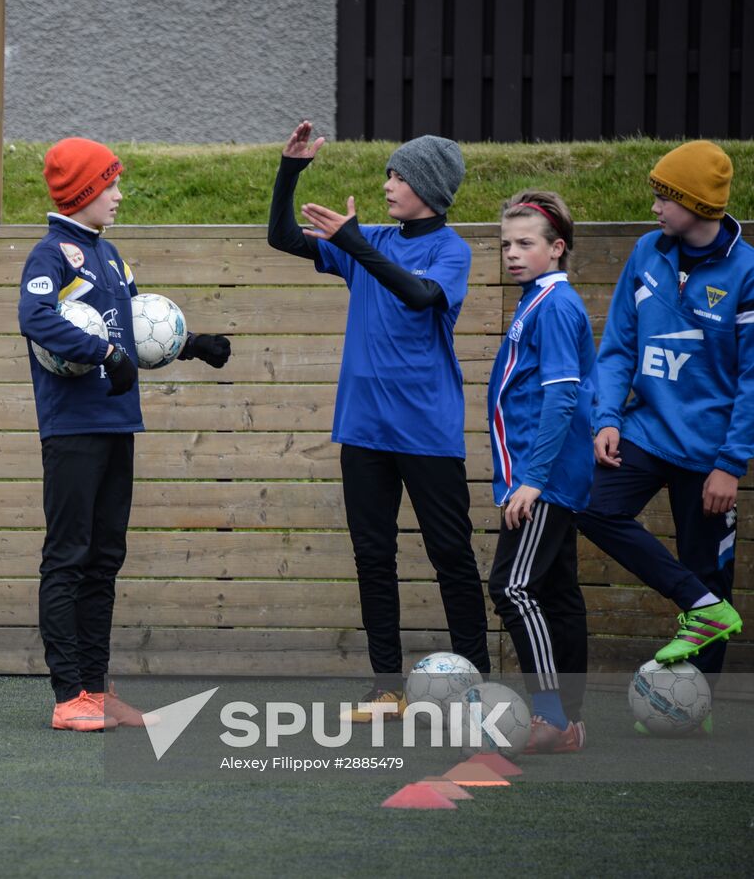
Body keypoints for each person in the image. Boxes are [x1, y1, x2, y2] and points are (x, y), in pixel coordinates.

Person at [267, 120, 491, 721]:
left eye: (401, 175)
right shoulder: (370, 239)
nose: (389, 183)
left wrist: (356, 243)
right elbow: (282, 237)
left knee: (452, 557)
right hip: (362, 429)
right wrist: (290, 170)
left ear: (430, 189)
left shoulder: (451, 250)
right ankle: (386, 687)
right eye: (389, 172)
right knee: (374, 557)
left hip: (427, 431)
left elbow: (420, 296)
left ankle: (476, 685)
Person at [19, 137, 231, 731]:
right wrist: (101, 352)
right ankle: (67, 698)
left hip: (117, 422)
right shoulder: (52, 255)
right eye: (110, 184)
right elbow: (35, 319)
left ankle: (96, 687)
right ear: (84, 190)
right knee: (68, 558)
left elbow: (135, 329)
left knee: (105, 558)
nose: (119, 194)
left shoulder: (110, 256)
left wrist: (191, 345)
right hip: (72, 428)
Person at [575, 141, 749, 714]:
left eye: (663, 197)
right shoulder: (648, 251)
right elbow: (619, 344)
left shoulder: (747, 273)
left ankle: (693, 711)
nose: (654, 206)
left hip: (708, 454)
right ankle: (695, 602)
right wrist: (606, 417)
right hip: (645, 432)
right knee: (591, 506)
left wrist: (730, 464)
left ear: (697, 204)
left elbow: (753, 379)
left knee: (711, 573)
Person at [485, 191, 594, 754]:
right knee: (557, 591)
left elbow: (560, 399)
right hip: (541, 475)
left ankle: (550, 715)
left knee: (512, 586)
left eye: (526, 243)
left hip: (542, 478)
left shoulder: (554, 305)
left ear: (557, 249)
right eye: (506, 244)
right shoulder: (539, 301)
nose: (512, 253)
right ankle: (569, 723)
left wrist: (530, 479)